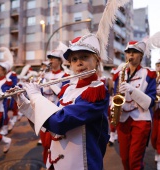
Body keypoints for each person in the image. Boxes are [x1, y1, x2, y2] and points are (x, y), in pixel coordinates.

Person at [12, 33, 110, 170]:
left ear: (97, 60)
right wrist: (24, 103)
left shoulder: (97, 91)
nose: (79, 62)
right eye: (74, 59)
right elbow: (50, 124)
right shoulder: (68, 89)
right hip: (57, 162)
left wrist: (36, 96)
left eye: (85, 57)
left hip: (82, 163)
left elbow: (61, 122)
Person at [112, 41, 156, 170]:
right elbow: (116, 96)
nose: (131, 55)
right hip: (123, 119)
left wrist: (132, 90)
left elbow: (150, 102)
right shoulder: (119, 74)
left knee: (135, 160)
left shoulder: (149, 74)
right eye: (128, 52)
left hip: (141, 119)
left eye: (134, 52)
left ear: (141, 56)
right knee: (125, 159)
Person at [151, 58, 160, 170]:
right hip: (156, 111)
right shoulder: (154, 79)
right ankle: (157, 153)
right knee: (154, 137)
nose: (159, 68)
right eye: (158, 65)